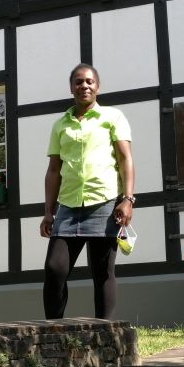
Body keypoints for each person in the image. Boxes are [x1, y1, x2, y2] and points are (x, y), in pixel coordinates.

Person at [40, 63, 135, 320]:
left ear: (97, 87)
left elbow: (126, 159)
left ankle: (105, 332)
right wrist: (49, 212)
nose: (84, 86)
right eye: (79, 82)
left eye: (89, 82)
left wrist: (127, 199)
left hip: (104, 203)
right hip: (68, 206)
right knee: (54, 268)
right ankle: (53, 330)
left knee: (102, 271)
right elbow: (53, 171)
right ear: (71, 87)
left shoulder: (112, 117)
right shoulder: (61, 125)